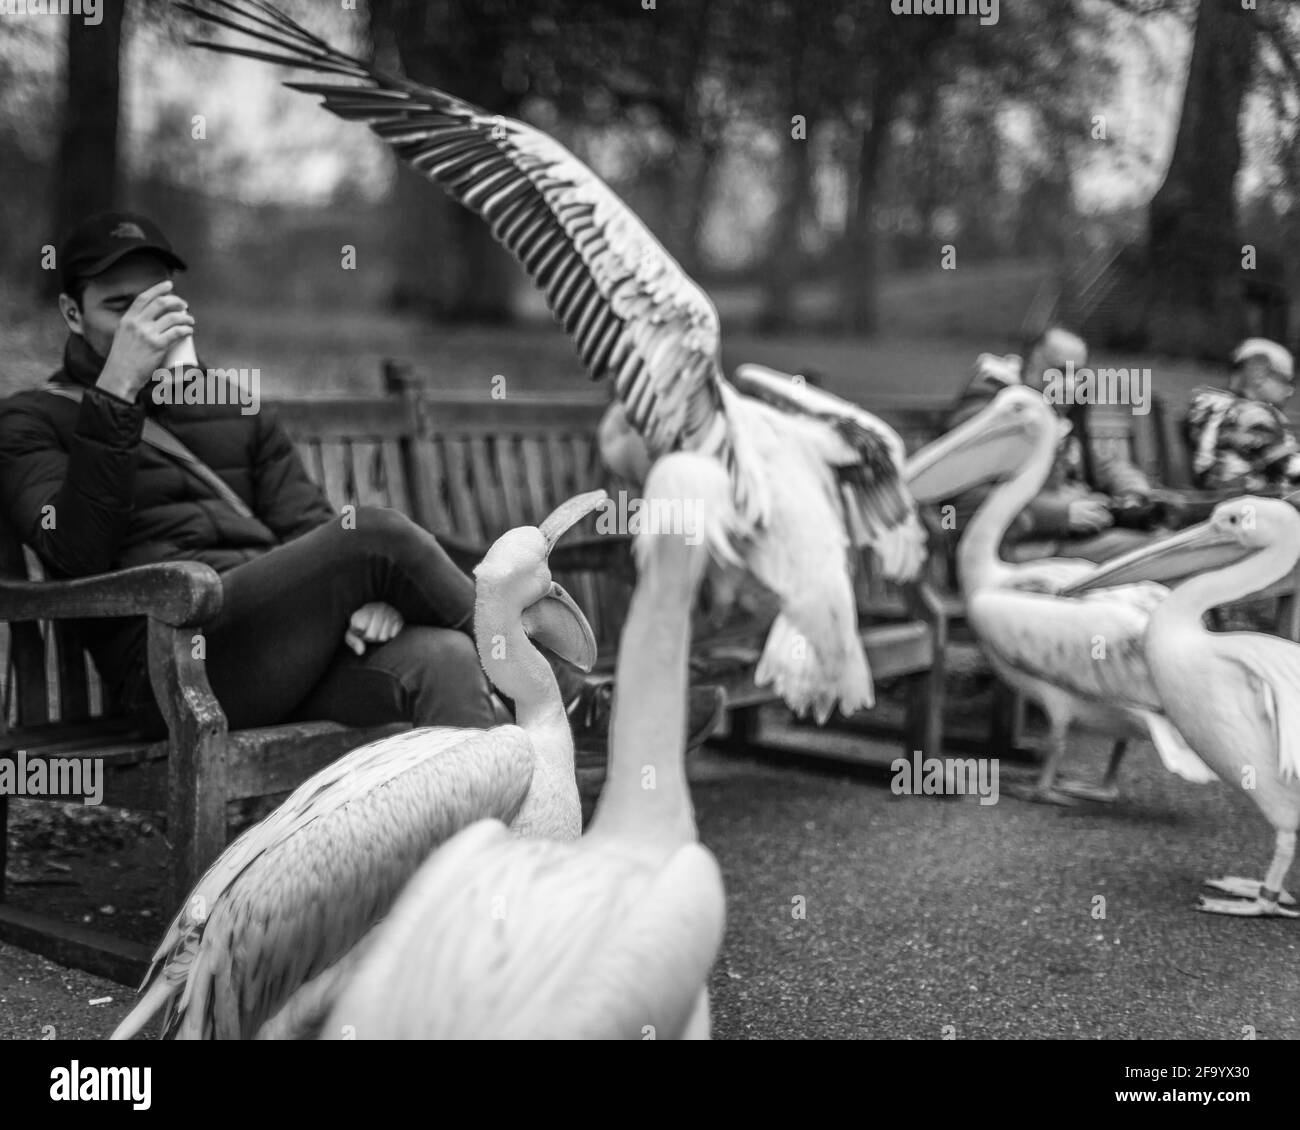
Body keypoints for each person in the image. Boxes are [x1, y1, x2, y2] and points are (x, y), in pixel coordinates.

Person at [0, 211, 723, 749]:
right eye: (117, 307)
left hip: (286, 641)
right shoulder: (31, 420)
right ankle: (579, 701)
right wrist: (118, 392)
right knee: (373, 533)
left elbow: (309, 527)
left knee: (440, 658)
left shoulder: (228, 407)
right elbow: (80, 556)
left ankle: (480, 885)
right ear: (71, 313)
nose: (141, 324)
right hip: (174, 663)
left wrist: (371, 594)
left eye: (152, 302)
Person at [944, 326, 1157, 563]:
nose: (1070, 384)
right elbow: (960, 500)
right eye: (1058, 371)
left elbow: (1097, 462)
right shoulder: (994, 412)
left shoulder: (1058, 407)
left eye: (1077, 373)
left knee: (1170, 543)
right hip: (1027, 547)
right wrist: (1061, 515)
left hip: (1074, 536)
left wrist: (1132, 493)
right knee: (1162, 551)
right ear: (1030, 366)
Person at [1185, 339, 1300, 492]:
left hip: (1217, 499)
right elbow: (1291, 467)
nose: (1289, 391)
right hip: (1251, 506)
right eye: (1286, 381)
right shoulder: (1254, 416)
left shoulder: (1206, 406)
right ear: (1258, 372)